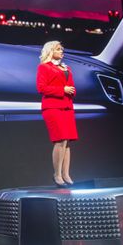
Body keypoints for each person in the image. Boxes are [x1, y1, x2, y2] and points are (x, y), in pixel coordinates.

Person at [36, 41, 78, 187]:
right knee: (60, 140)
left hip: (67, 107)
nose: (61, 51)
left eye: (62, 49)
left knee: (67, 142)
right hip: (53, 107)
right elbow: (41, 88)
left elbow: (71, 86)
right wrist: (62, 90)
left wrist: (70, 90)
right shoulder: (44, 67)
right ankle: (57, 174)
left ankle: (66, 174)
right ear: (50, 50)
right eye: (58, 49)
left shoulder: (66, 67)